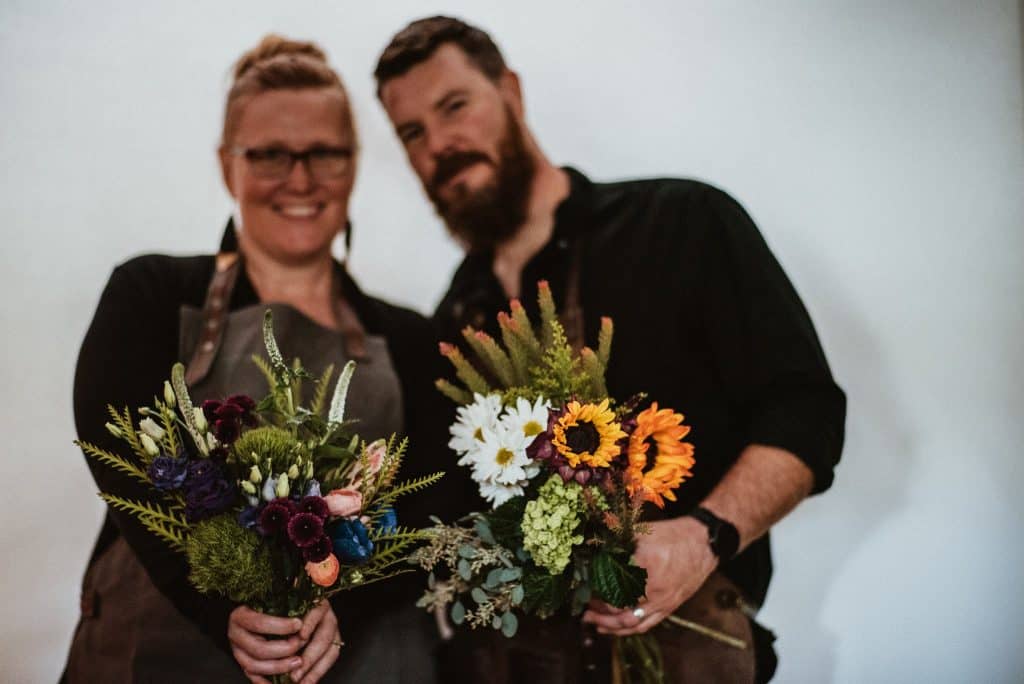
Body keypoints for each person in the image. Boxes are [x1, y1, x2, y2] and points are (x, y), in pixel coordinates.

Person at [373, 16, 846, 683]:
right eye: (412, 134)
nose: (440, 145)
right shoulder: (455, 318)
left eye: (455, 106)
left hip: (689, 653)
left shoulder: (682, 224)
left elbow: (807, 412)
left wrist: (701, 535)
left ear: (510, 91)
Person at [63, 35, 450, 683]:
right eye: (270, 154)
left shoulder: (409, 337)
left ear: (353, 164)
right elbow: (123, 467)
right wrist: (220, 611)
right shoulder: (153, 295)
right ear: (227, 165)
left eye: (323, 153)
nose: (299, 179)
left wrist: (343, 610)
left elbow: (432, 505)